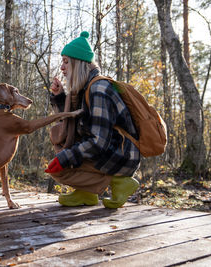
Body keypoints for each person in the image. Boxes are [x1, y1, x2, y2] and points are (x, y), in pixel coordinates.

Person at [44, 31, 140, 209]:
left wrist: (66, 158)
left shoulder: (98, 89)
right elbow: (70, 127)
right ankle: (86, 193)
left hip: (122, 154)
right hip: (110, 151)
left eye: (66, 62)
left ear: (79, 63)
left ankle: (120, 183)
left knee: (62, 166)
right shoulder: (85, 89)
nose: (62, 68)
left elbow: (99, 141)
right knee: (63, 152)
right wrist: (59, 98)